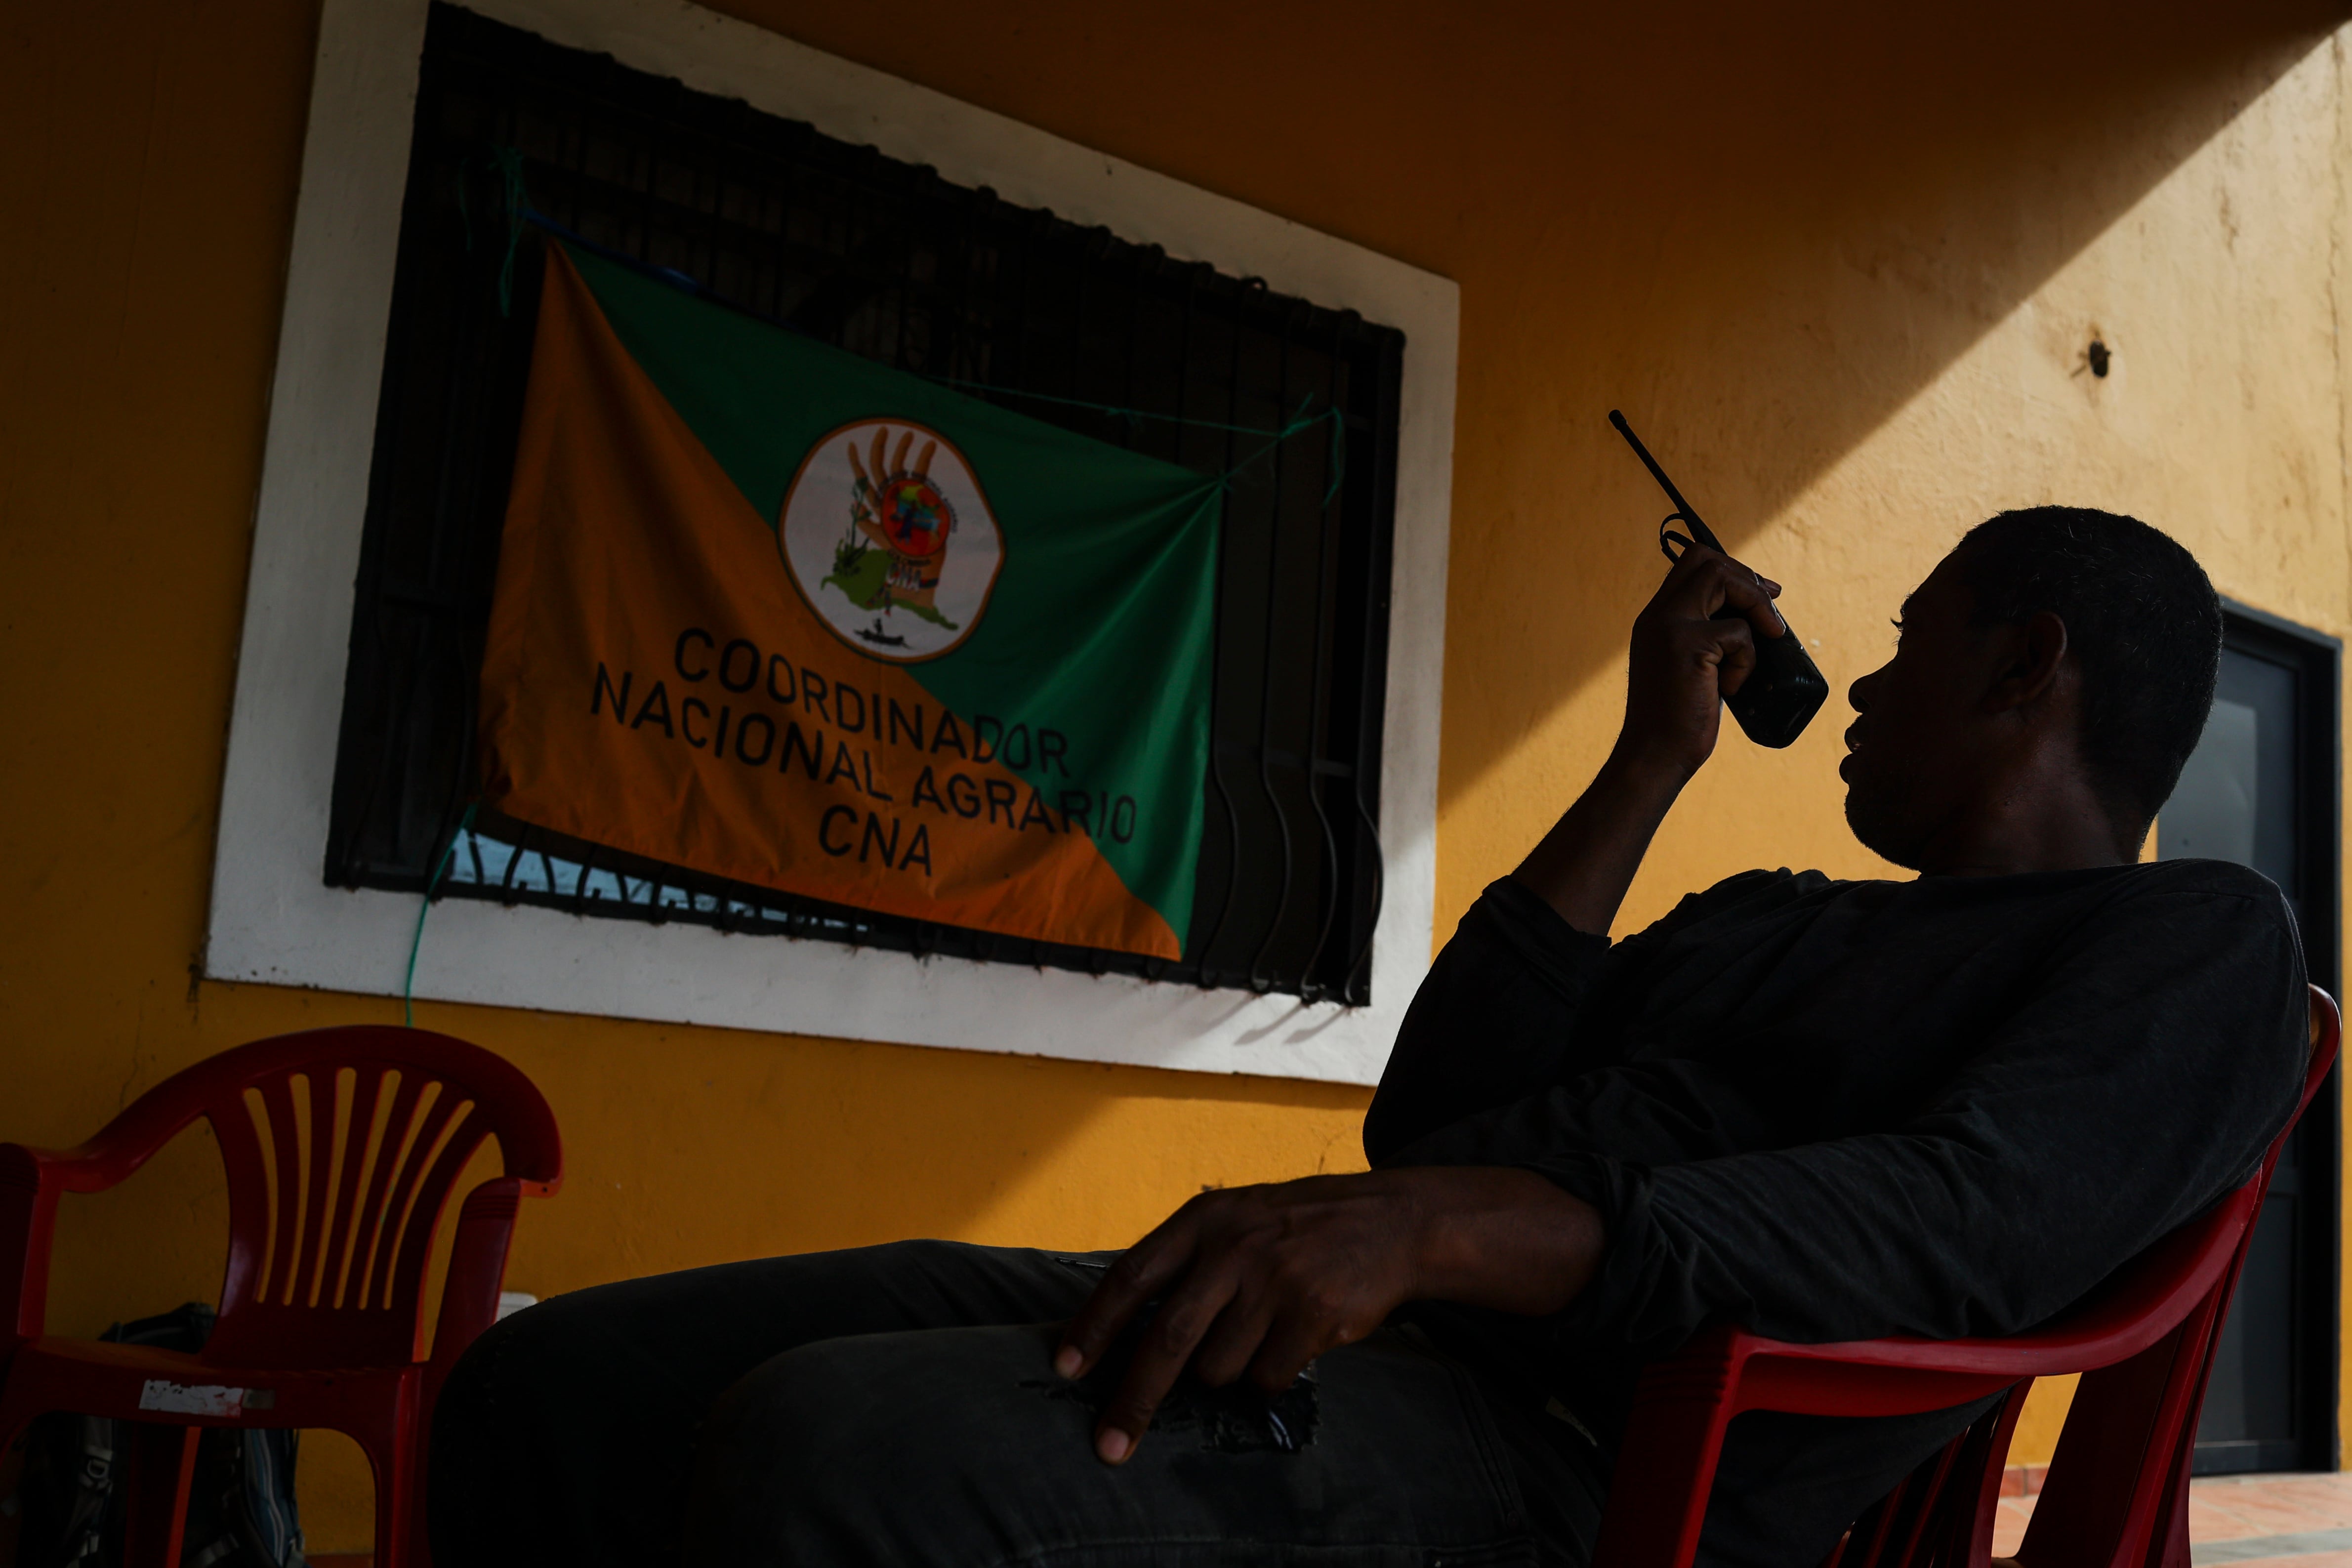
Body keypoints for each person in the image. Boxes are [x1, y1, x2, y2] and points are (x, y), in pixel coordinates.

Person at [429, 507, 2308, 1568]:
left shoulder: (2193, 939)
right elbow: (1442, 1116)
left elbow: (1960, 1222)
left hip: (1605, 1459)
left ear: (2024, 665)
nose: (1864, 687)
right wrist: (1647, 758)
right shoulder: (1774, 917)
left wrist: (1453, 1236)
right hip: (1362, 1327)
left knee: (827, 1456)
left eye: (1907, 642)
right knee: (560, 1387)